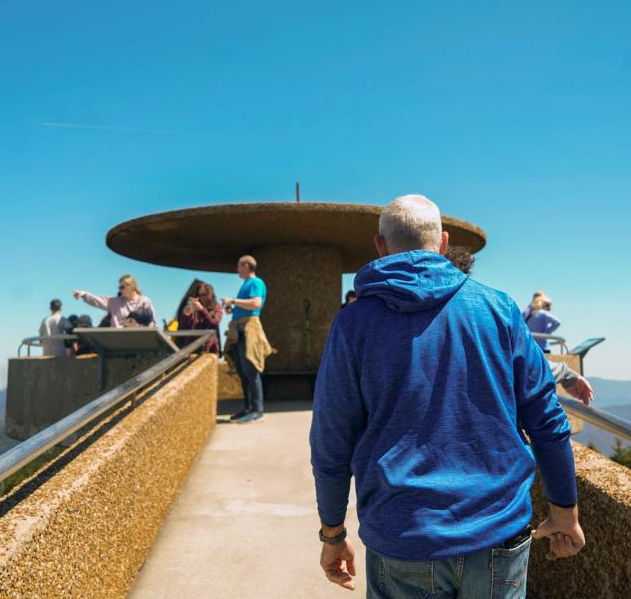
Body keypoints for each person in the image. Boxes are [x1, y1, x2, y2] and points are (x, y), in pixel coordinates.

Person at [311, 195, 584, 596]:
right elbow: (547, 420)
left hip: (402, 536)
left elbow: (331, 439)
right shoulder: (498, 309)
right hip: (497, 532)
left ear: (380, 246)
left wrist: (332, 533)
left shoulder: (354, 324)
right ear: (442, 243)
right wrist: (564, 512)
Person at [446, 251, 594, 406]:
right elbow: (556, 324)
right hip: (539, 350)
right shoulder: (533, 312)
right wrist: (547, 332)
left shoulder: (525, 312)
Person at [222, 255, 272, 424]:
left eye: (238, 266)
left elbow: (256, 304)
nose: (236, 269)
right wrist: (232, 308)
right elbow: (247, 305)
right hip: (239, 331)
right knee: (243, 372)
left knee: (251, 370)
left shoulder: (256, 283)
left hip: (249, 330)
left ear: (245, 266)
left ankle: (258, 410)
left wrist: (234, 301)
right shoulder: (246, 284)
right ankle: (248, 408)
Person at [73, 275, 156, 328]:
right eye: (119, 287)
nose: (119, 289)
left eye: (122, 287)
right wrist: (84, 295)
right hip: (118, 340)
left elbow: (152, 322)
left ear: (131, 286)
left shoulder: (144, 301)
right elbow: (97, 300)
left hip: (139, 340)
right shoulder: (114, 302)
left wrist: (138, 327)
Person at [179, 281, 223, 353]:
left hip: (208, 349)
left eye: (204, 294)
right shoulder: (195, 306)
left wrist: (202, 310)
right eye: (199, 294)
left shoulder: (217, 307)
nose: (201, 297)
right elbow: (183, 327)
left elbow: (214, 323)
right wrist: (185, 315)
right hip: (192, 347)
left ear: (210, 294)